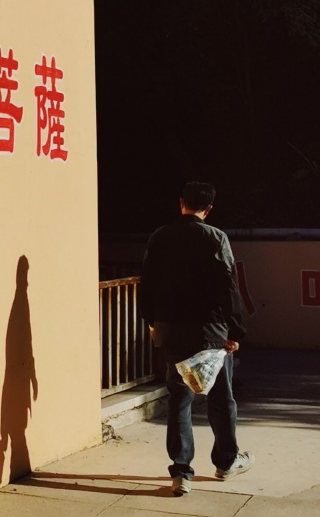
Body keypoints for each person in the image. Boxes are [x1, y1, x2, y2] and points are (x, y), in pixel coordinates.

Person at [140, 181, 253, 497]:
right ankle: (226, 461)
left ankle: (180, 472)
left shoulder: (159, 237)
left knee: (179, 399)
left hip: (172, 332)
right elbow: (228, 287)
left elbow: (147, 283)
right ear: (209, 208)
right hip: (210, 333)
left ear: (181, 203)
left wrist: (152, 322)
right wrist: (235, 332)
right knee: (221, 398)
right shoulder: (216, 238)